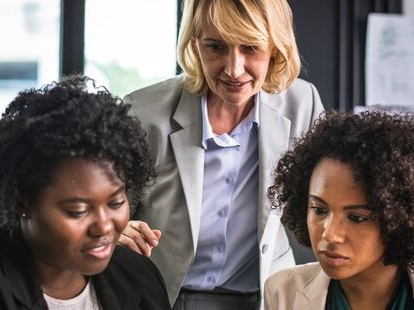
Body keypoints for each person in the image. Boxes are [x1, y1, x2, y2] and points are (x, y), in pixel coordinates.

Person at [120, 0, 325, 308]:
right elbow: (103, 210)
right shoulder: (143, 111)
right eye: (215, 46)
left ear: (275, 47)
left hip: (261, 298)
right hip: (158, 295)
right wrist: (115, 228)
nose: (233, 69)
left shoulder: (302, 103)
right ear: (194, 43)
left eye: (251, 47)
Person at [0, 75, 171, 309]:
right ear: (22, 202)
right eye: (78, 211)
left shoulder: (138, 274)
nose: (104, 227)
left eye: (115, 203)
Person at [264, 111, 414, 309]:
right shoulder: (283, 293)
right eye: (319, 210)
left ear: (400, 218)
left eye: (356, 218)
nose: (330, 234)